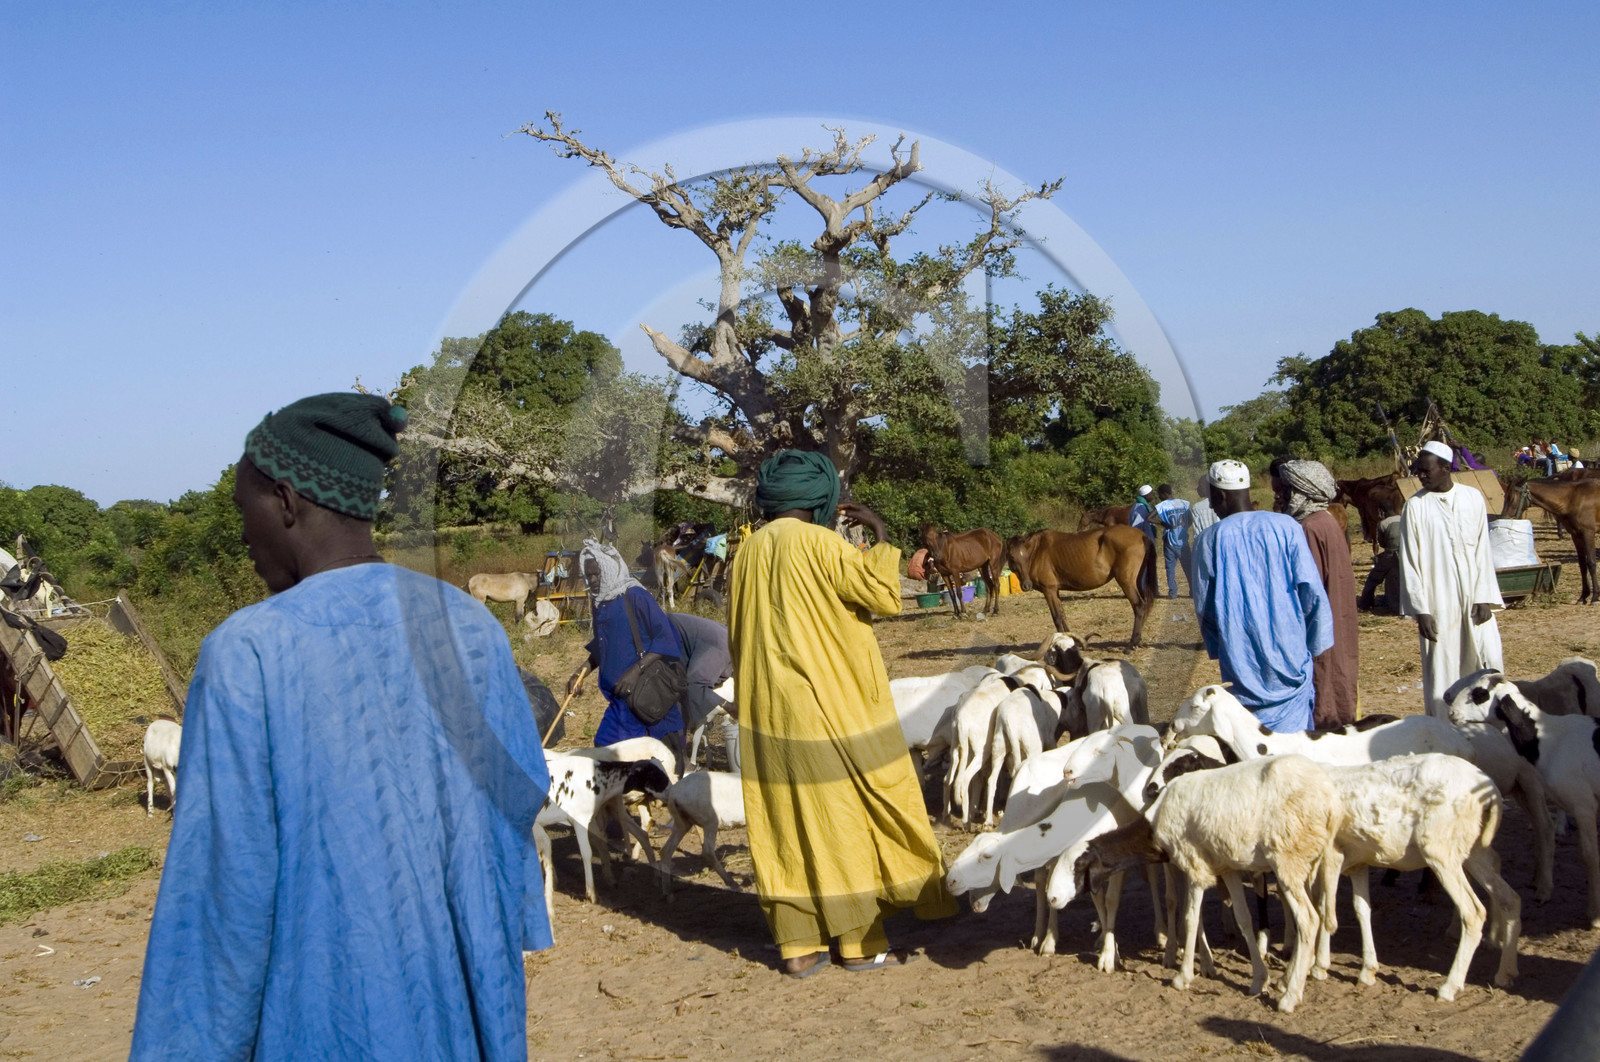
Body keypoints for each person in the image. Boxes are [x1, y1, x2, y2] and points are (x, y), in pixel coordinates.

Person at [131, 394, 552, 1061]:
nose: (245, 539)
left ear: (286, 501)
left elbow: (221, 891)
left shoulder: (249, 651)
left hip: (326, 1012)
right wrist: (501, 933)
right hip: (463, 998)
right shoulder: (471, 629)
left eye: (246, 512)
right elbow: (516, 805)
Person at [729, 449, 954, 977]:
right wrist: (878, 533)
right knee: (842, 813)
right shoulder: (824, 546)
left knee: (782, 821)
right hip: (826, 705)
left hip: (766, 710)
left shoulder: (746, 553)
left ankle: (797, 944)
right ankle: (857, 940)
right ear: (823, 498)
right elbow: (883, 595)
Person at [1189, 459, 1333, 732]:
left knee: (1253, 739)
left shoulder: (1208, 541)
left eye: (1211, 499)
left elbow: (1204, 606)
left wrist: (1221, 647)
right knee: (1297, 742)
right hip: (1291, 656)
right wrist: (1313, 643)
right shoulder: (1286, 526)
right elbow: (1311, 591)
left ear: (1218, 495)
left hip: (1242, 658)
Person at [1400, 440, 1504, 716]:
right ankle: (1443, 729)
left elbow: (1483, 549)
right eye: (1418, 471)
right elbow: (1410, 561)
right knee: (1442, 664)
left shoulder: (1472, 498)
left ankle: (1489, 723)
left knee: (1487, 657)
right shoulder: (1415, 507)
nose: (1421, 476)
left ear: (1446, 468)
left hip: (1474, 597)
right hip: (1438, 600)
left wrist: (1484, 595)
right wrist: (1421, 610)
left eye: (1426, 470)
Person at [567, 540, 686, 751]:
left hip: (649, 695)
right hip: (621, 703)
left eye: (597, 574)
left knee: (666, 760)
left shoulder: (635, 596)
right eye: (589, 575)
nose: (592, 580)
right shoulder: (600, 603)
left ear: (610, 569)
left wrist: (636, 671)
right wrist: (580, 673)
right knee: (606, 753)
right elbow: (603, 645)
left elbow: (667, 638)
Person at [1276, 459, 1359, 728]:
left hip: (1321, 625)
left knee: (1324, 679)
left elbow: (1309, 591)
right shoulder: (1326, 521)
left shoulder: (1309, 527)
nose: (1281, 497)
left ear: (1302, 492)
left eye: (1287, 491)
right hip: (1339, 616)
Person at [668, 610, 733, 734]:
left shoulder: (730, 641)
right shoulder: (721, 649)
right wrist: (728, 706)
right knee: (672, 721)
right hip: (657, 642)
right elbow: (695, 684)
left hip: (675, 658)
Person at [1358, 501, 1402, 613]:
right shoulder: (1404, 518)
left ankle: (1365, 603)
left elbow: (1382, 543)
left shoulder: (1383, 523)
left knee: (1373, 578)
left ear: (1382, 512)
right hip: (1406, 554)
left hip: (1391, 555)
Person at [1151, 483, 1191, 598]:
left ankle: (1173, 593)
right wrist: (1183, 529)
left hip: (1169, 540)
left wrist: (1162, 523)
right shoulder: (1184, 503)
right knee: (1188, 567)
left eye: (1159, 494)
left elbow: (1149, 517)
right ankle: (1193, 591)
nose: (1159, 497)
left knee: (1170, 568)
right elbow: (1191, 520)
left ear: (1164, 494)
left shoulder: (1162, 506)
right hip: (1183, 540)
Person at [1180, 472, 1219, 585]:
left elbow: (1197, 534)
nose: (1198, 489)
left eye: (1200, 486)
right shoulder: (1223, 503)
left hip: (1206, 549)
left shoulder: (1197, 507)